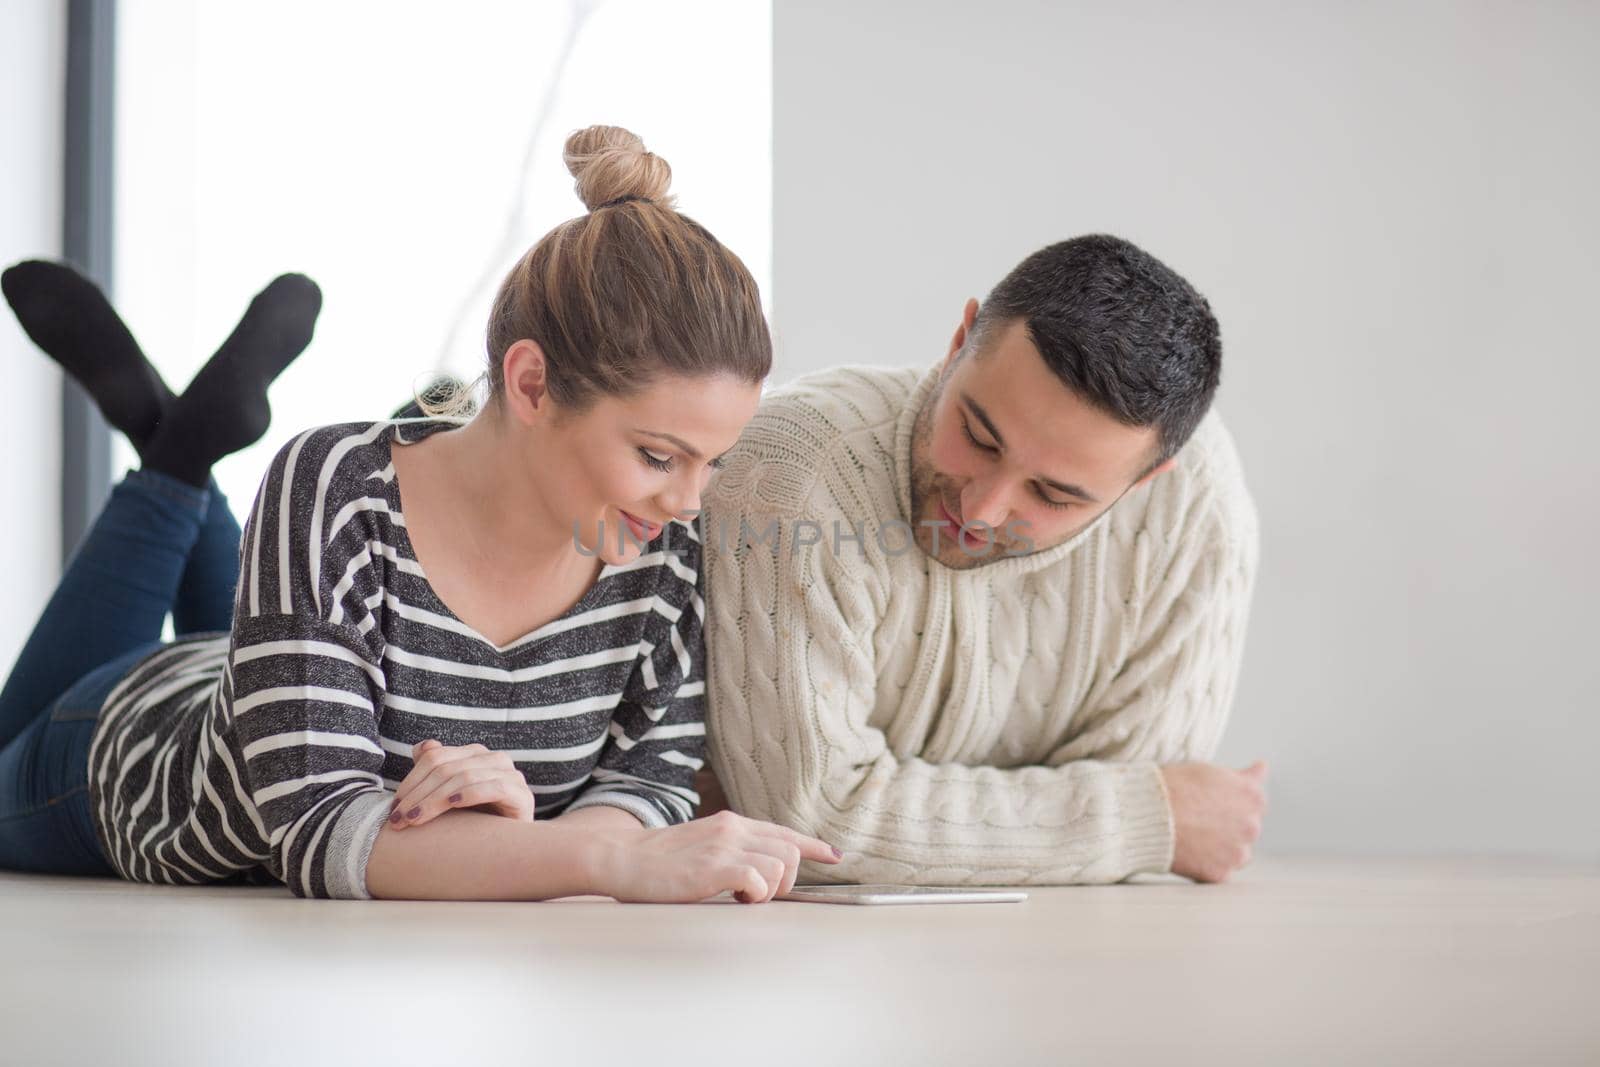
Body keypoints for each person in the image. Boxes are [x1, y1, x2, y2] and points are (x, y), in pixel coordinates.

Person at [0, 125, 838, 901]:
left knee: (263, 639)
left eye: (711, 461)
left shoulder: (661, 544)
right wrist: (600, 855)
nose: (689, 500)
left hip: (283, 666)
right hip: (137, 747)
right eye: (658, 455)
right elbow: (320, 827)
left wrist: (518, 835)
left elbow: (648, 781)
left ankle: (178, 442)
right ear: (532, 384)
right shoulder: (333, 484)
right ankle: (176, 461)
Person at [698, 234, 1264, 886]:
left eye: (1053, 493)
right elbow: (814, 818)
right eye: (979, 436)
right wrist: (1149, 817)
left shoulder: (1193, 511)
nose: (983, 508)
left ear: (1145, 481)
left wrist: (910, 815)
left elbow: (1119, 814)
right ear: (958, 341)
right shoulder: (797, 472)